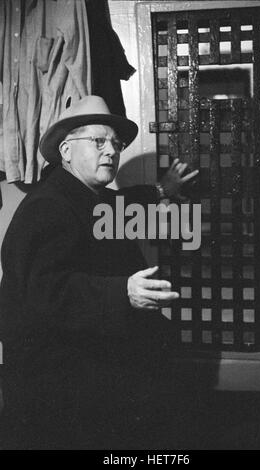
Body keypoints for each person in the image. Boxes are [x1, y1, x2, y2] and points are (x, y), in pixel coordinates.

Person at [0, 95, 198, 449]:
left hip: (86, 362)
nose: (111, 151)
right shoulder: (47, 206)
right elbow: (45, 292)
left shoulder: (86, 195)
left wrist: (162, 190)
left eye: (116, 144)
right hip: (57, 380)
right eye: (98, 141)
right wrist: (124, 292)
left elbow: (124, 204)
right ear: (66, 151)